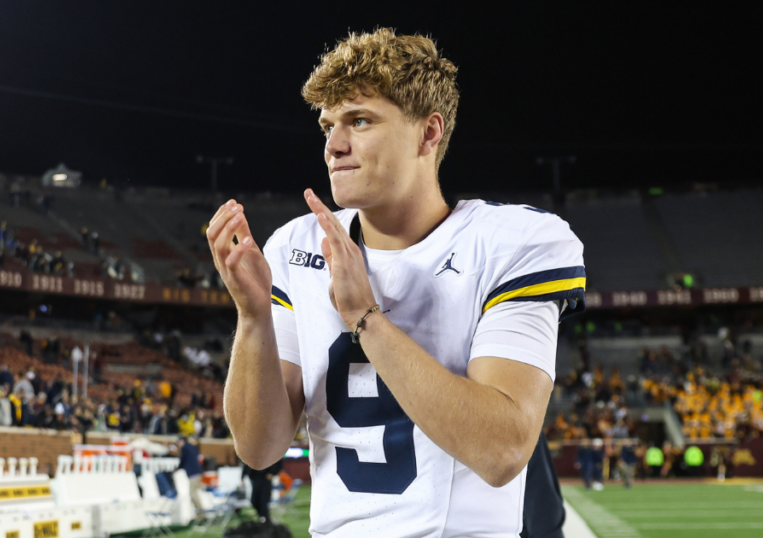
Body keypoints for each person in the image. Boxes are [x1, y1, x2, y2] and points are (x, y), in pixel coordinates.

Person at [210, 29, 585, 537]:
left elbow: (502, 451)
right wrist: (252, 318)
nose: (333, 146)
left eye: (359, 121)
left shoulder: (512, 242)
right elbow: (259, 448)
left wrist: (367, 319)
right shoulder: (294, 247)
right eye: (327, 126)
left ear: (428, 134)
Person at [245, 459, 283, 525]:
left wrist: (272, 473)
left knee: (263, 501)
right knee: (254, 500)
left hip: (265, 478)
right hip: (255, 478)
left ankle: (265, 520)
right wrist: (245, 475)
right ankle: (263, 518)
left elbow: (278, 461)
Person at [176, 436, 204, 512]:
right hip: (199, 473)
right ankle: (199, 513)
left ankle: (201, 513)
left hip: (193, 474)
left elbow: (183, 460)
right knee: (195, 493)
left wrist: (177, 469)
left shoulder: (184, 448)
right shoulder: (193, 447)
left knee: (192, 494)